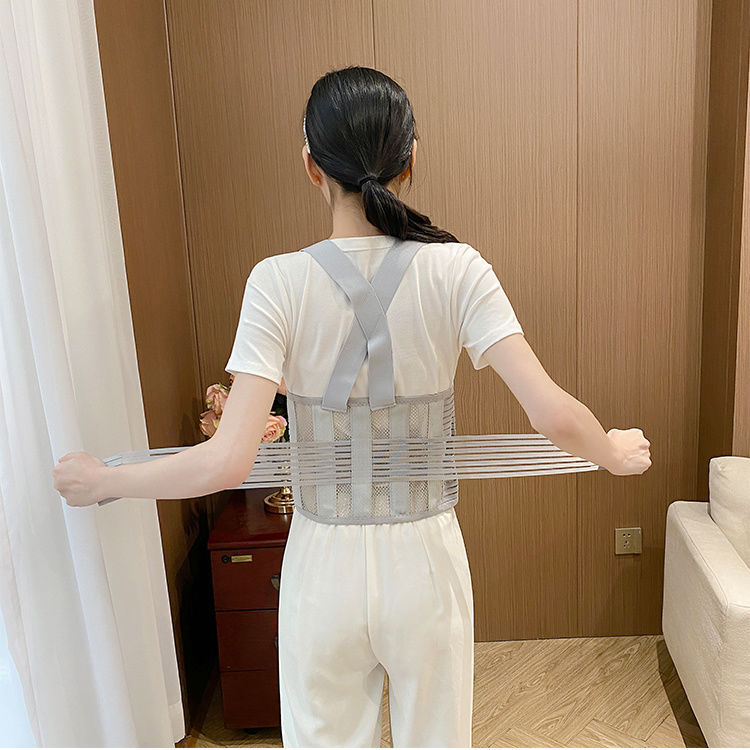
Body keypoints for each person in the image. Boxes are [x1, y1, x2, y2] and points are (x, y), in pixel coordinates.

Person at [52, 66, 651, 748]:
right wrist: (611, 452)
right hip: (425, 559)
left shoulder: (276, 282)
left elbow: (226, 462)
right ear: (411, 159)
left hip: (323, 564)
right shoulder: (458, 269)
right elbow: (552, 415)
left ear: (311, 165)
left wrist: (106, 481)